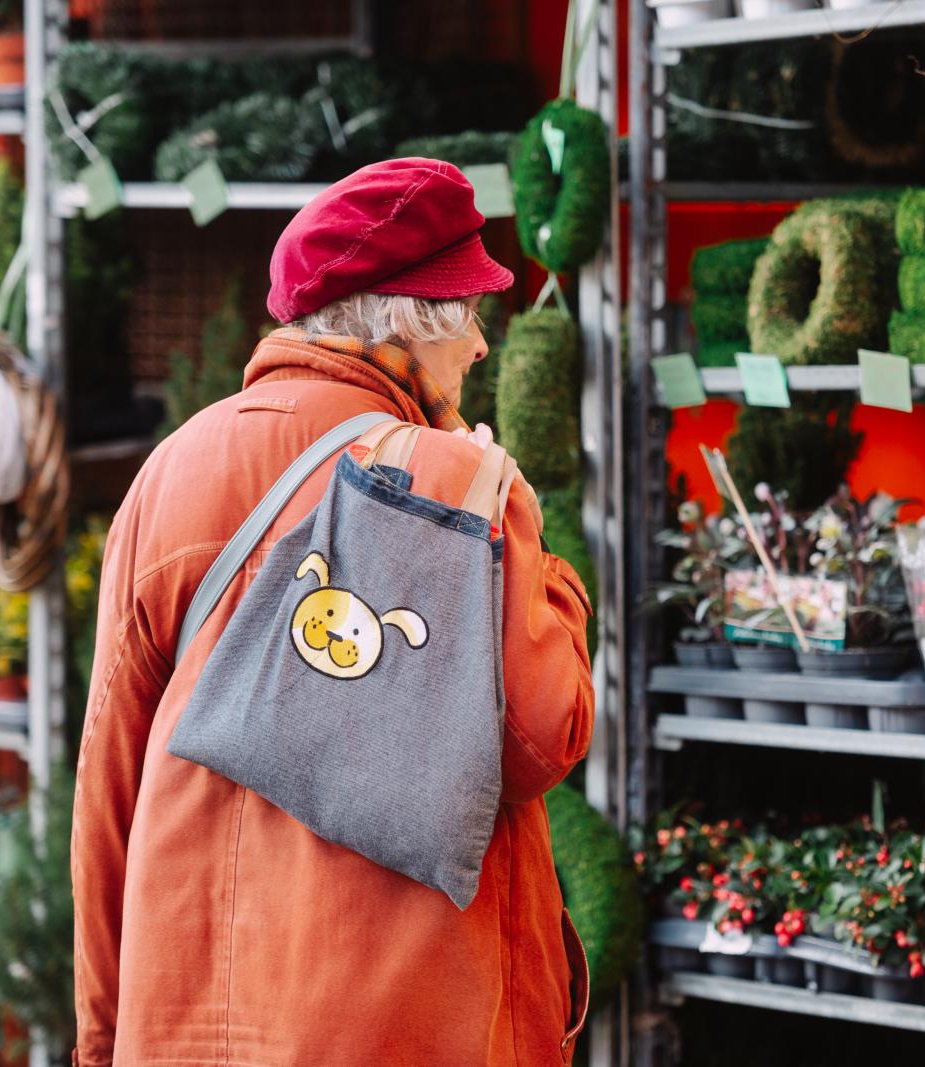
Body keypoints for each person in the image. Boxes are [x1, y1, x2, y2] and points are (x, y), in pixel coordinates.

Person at [71, 158, 596, 1066]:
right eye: (466, 313)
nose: (478, 346)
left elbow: (107, 789)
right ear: (408, 323)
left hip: (198, 1028)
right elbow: (546, 738)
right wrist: (543, 562)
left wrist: (101, 1038)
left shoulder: (172, 470)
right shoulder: (459, 488)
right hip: (415, 1028)